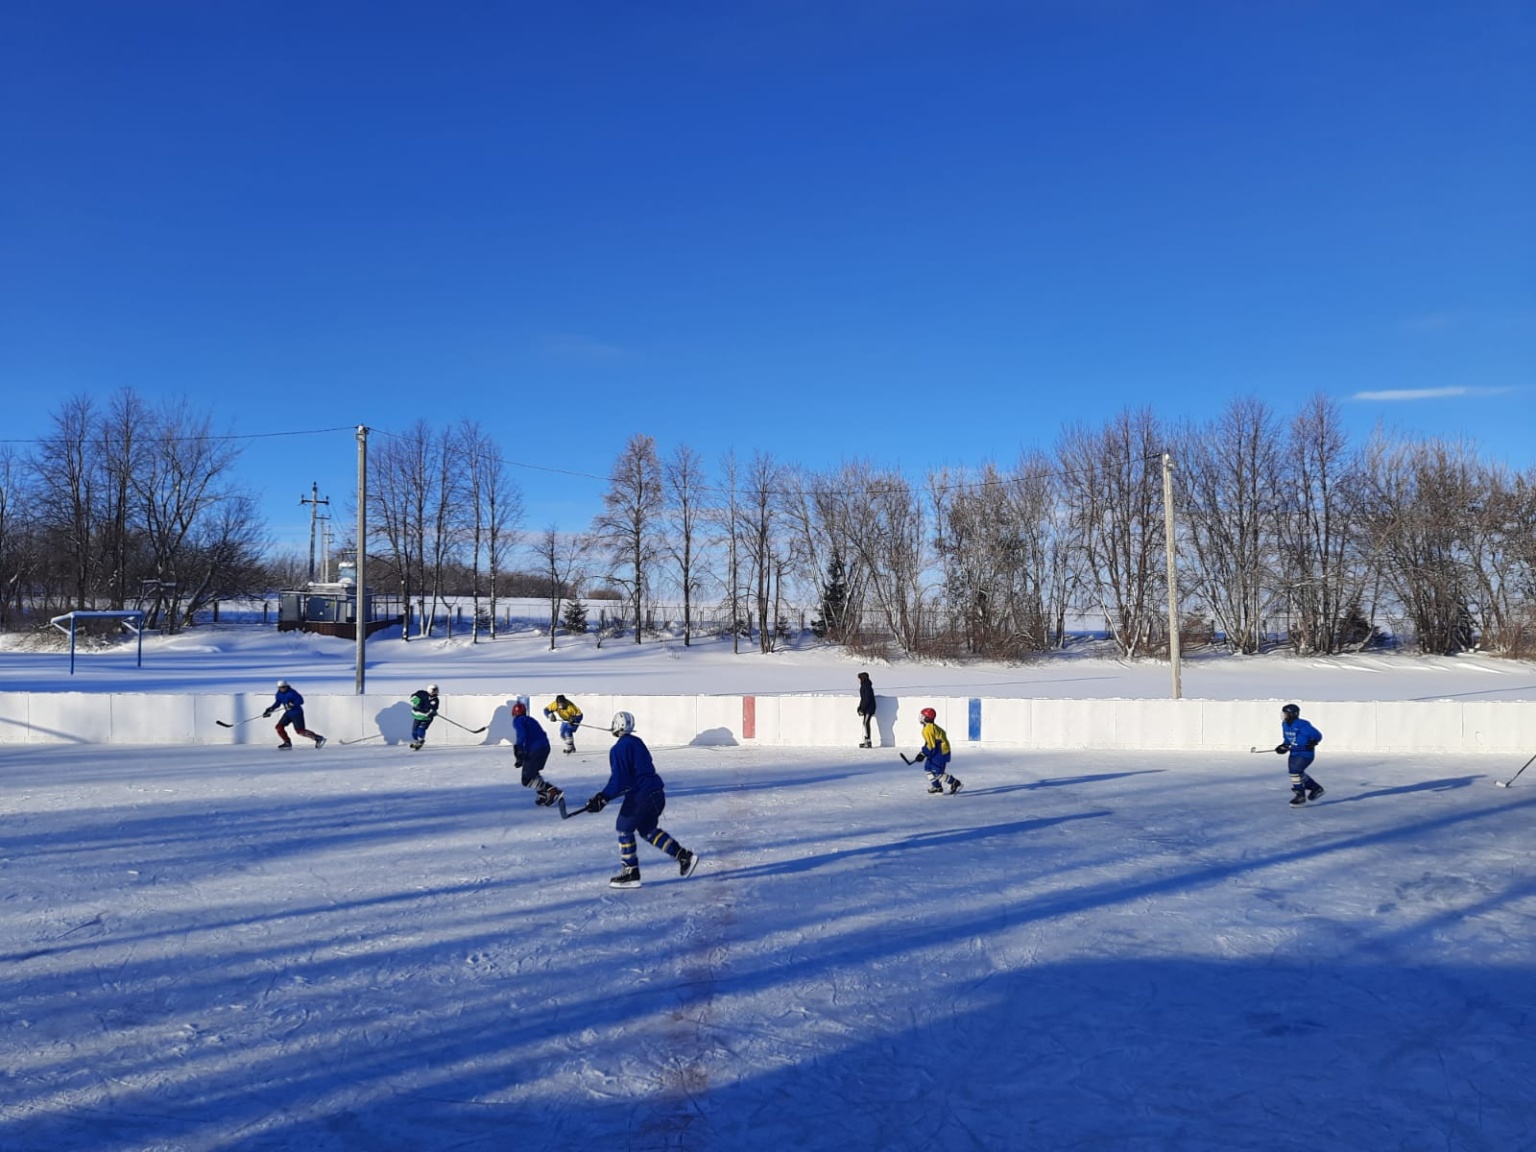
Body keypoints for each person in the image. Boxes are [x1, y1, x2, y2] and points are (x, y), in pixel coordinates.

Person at [582, 711, 700, 888]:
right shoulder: (636, 742)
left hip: (641, 795)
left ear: (616, 725)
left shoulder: (619, 748)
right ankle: (684, 856)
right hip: (656, 793)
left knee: (624, 828)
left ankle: (631, 873)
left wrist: (603, 797)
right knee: (647, 829)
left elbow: (619, 780)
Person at [512, 700, 563, 807]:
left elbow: (522, 734)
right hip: (545, 747)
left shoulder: (518, 720)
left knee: (527, 779)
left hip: (535, 749)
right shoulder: (530, 719)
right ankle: (543, 795)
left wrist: (518, 748)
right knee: (534, 773)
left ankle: (550, 790)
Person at [1275, 703, 1324, 806]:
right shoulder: (1285, 724)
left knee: (1294, 772)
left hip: (1305, 753)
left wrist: (1313, 742)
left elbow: (1317, 735)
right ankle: (1316, 788)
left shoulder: (1303, 725)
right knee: (1297, 773)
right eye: (1283, 713)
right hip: (1294, 752)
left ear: (1293, 714)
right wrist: (1283, 746)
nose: (1284, 716)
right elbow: (1288, 739)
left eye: (1286, 713)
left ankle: (1300, 795)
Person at [911, 707, 962, 795]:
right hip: (936, 752)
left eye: (923, 716)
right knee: (928, 769)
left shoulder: (928, 729)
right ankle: (937, 787)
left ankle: (955, 782)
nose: (921, 718)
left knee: (937, 773)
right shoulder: (930, 727)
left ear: (927, 718)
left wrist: (923, 754)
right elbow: (930, 743)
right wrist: (923, 752)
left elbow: (931, 745)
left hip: (940, 752)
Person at [263, 679, 325, 750]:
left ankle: (318, 738)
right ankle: (287, 743)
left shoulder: (292, 693)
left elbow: (301, 701)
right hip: (288, 713)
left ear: (287, 686)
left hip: (296, 713)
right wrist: (270, 709)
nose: (282, 689)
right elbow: (278, 703)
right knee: (279, 727)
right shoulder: (279, 694)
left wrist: (292, 704)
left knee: (300, 731)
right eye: (280, 687)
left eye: (284, 687)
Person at [408, 684, 439, 750]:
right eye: (434, 690)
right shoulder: (421, 693)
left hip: (426, 718)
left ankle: (421, 740)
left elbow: (434, 708)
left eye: (436, 690)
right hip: (417, 716)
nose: (436, 692)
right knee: (414, 731)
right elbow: (413, 697)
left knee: (421, 729)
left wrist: (432, 712)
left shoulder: (435, 700)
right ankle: (416, 742)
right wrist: (416, 701)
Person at [856, 671, 877, 748]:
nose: (858, 680)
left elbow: (867, 699)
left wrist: (863, 708)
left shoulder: (867, 686)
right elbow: (863, 699)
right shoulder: (864, 686)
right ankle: (866, 740)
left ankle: (868, 741)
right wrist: (860, 707)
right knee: (865, 723)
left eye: (859, 678)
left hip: (870, 708)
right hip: (866, 707)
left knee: (866, 722)